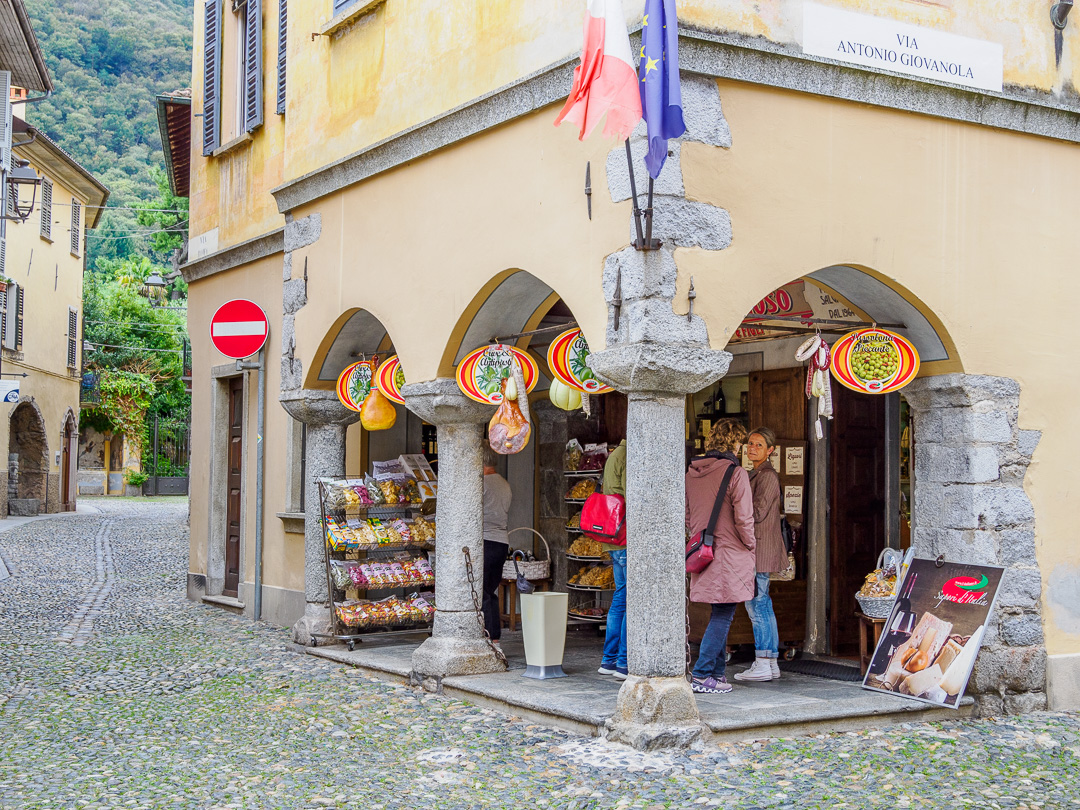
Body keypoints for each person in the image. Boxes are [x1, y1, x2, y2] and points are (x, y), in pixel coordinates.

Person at [686, 421, 756, 695]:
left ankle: (716, 674)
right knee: (724, 614)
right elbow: (744, 517)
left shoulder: (692, 473)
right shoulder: (736, 473)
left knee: (719, 611)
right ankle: (702, 674)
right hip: (730, 551)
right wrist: (750, 544)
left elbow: (688, 516)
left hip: (704, 550)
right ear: (735, 444)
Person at [734, 427, 787, 682]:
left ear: (770, 450)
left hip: (760, 548)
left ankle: (764, 660)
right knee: (761, 602)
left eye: (758, 445)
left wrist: (733, 509)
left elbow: (757, 512)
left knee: (757, 603)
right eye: (750, 444)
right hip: (759, 547)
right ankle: (770, 662)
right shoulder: (755, 473)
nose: (752, 448)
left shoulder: (767, 476)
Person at [597, 439, 627, 681]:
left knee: (620, 598)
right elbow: (632, 495)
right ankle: (624, 662)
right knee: (631, 600)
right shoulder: (628, 455)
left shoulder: (616, 454)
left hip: (614, 538)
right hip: (626, 536)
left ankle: (609, 659)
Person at [482, 445, 513, 647]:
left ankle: (488, 636)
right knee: (490, 590)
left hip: (485, 540)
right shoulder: (504, 484)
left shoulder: (482, 484)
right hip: (501, 541)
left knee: (481, 591)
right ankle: (494, 637)